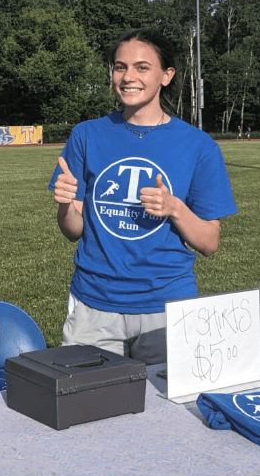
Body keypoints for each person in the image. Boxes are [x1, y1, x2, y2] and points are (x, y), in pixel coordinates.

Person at [48, 27, 236, 364]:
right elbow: (72, 229)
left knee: (167, 413)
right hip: (94, 305)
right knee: (89, 410)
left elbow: (209, 243)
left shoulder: (198, 146)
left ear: (166, 76)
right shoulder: (86, 135)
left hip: (167, 309)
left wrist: (175, 207)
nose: (128, 77)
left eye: (142, 67)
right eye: (120, 67)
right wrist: (65, 205)